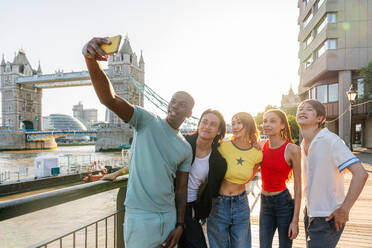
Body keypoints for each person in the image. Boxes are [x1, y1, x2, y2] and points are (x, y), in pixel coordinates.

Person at [82, 37, 194, 248]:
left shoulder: (185, 148)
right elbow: (110, 99)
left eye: (182, 105)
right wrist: (91, 61)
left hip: (169, 217)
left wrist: (180, 224)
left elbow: (181, 189)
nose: (174, 106)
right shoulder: (146, 120)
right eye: (172, 101)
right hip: (140, 216)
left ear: (189, 113)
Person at [296, 99, 368, 248]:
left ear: (319, 118)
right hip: (310, 212)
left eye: (308, 109)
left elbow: (361, 174)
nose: (302, 111)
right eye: (300, 109)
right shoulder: (303, 143)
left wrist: (345, 209)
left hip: (328, 216)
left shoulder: (330, 141)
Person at [207, 112, 263, 248]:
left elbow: (250, 176)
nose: (235, 127)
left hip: (241, 204)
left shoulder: (257, 154)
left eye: (239, 123)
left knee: (241, 245)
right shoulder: (222, 147)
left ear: (249, 125)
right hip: (218, 203)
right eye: (233, 124)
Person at [179, 109, 228, 248]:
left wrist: (198, 212)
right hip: (168, 204)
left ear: (218, 131)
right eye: (204, 122)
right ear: (199, 124)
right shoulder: (182, 142)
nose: (207, 126)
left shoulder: (218, 162)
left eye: (213, 124)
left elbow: (211, 192)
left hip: (190, 210)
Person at [259, 109, 301, 248]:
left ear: (282, 125)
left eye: (272, 121)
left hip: (283, 203)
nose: (267, 124)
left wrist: (295, 220)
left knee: (285, 246)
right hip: (264, 202)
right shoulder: (260, 145)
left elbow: (298, 186)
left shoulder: (292, 149)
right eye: (265, 121)